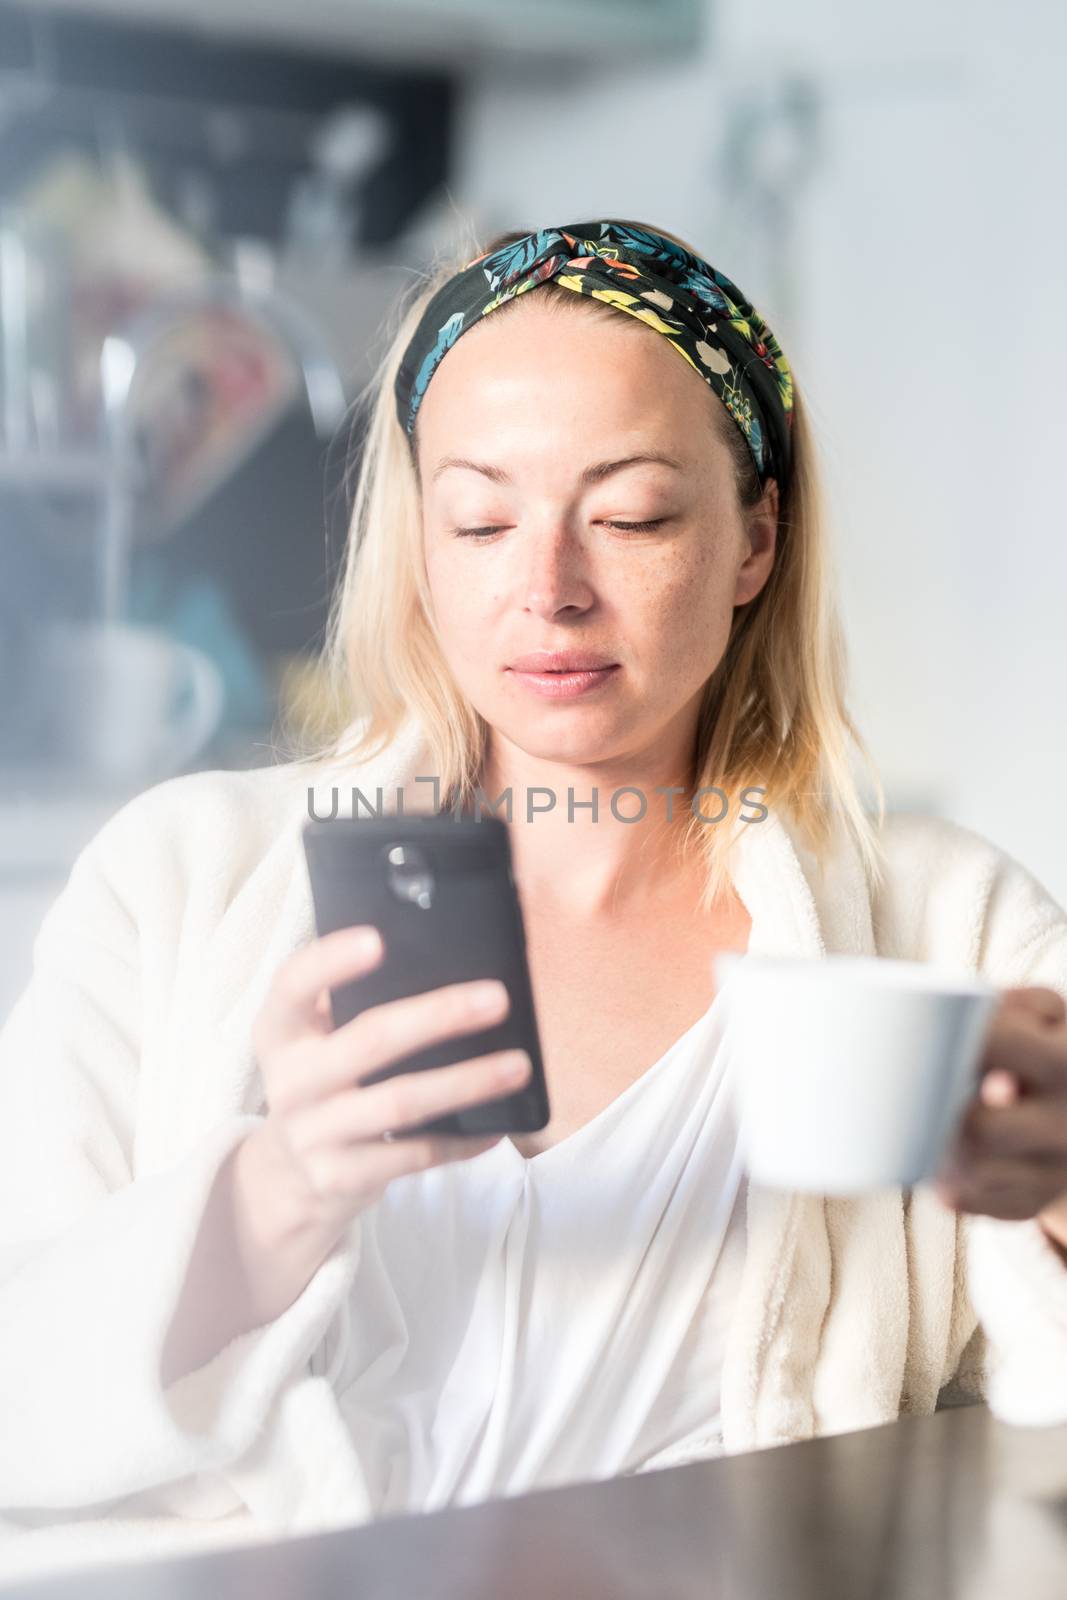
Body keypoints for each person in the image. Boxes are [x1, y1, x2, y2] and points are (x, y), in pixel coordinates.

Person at [3, 218, 1067, 1582]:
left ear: (753, 543)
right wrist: (278, 1192)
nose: (549, 590)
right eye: (482, 519)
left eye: (629, 517)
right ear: (423, 546)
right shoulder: (179, 885)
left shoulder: (945, 926)